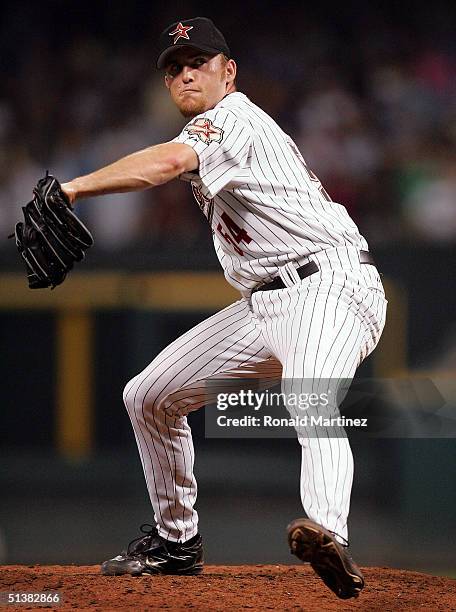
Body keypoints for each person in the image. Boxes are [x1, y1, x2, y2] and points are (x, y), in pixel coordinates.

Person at [61, 17, 387, 599]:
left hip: (329, 283)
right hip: (266, 301)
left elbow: (165, 163)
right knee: (149, 395)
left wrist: (73, 189)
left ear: (227, 72)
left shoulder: (233, 118)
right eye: (173, 68)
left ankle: (329, 532)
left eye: (198, 62)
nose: (185, 73)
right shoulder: (214, 128)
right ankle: (176, 542)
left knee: (310, 397)